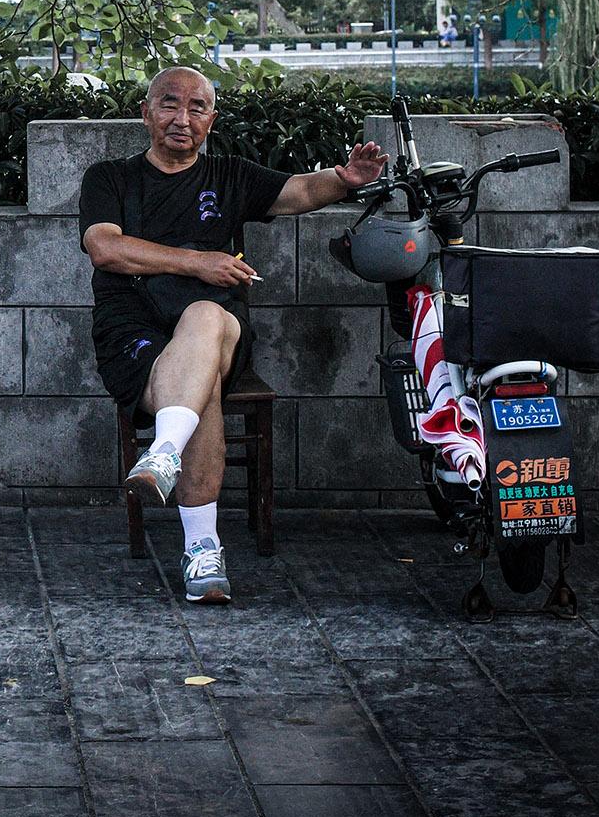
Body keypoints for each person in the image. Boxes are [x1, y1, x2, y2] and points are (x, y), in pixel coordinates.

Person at [78, 67, 386, 604]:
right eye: (170, 105)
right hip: (132, 333)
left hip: (217, 329)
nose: (183, 118)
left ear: (211, 120)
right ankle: (202, 548)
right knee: (202, 390)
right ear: (146, 112)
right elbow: (106, 248)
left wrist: (346, 179)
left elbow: (299, 191)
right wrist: (201, 262)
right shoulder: (110, 178)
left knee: (206, 317)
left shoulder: (229, 175)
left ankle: (164, 452)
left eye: (197, 108)